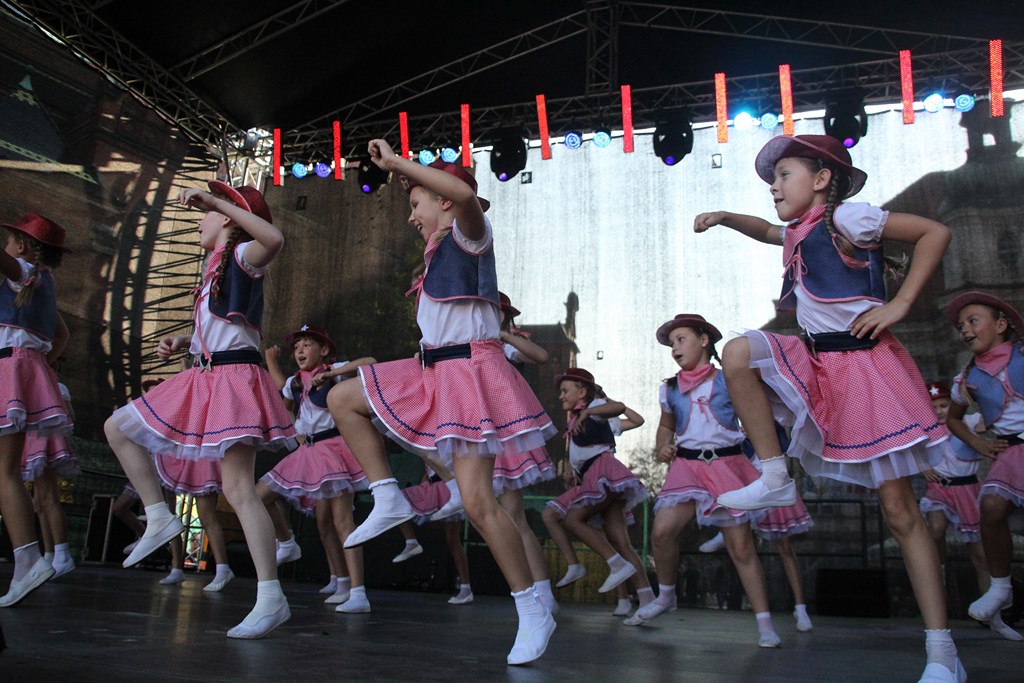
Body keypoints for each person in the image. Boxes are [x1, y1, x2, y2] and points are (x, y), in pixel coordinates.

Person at [694, 134, 961, 681]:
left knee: (900, 510)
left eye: (784, 174)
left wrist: (901, 303)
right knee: (740, 350)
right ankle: (775, 475)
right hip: (819, 362)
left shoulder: (850, 218)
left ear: (820, 179)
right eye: (771, 179)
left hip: (866, 366)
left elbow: (935, 232)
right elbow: (770, 231)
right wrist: (724, 216)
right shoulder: (796, 232)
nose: (774, 186)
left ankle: (942, 650)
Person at [326, 144, 557, 665]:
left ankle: (531, 608)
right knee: (343, 396)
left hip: (469, 373)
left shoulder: (470, 234)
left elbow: (463, 193)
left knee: (479, 503)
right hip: (432, 369)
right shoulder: (434, 255)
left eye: (416, 203)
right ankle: (387, 495)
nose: (411, 215)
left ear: (445, 203)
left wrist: (398, 167)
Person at [104, 181, 296, 639]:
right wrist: (186, 342)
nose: (200, 217)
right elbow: (225, 329)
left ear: (228, 218)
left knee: (238, 488)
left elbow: (275, 239)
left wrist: (218, 202)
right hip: (209, 374)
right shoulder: (212, 268)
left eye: (209, 212)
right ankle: (159, 515)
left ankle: (270, 596)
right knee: (120, 427)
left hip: (232, 380)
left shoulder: (244, 255)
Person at [623, 314, 781, 647]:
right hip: (687, 467)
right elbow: (666, 426)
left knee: (741, 547)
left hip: (726, 464)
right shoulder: (669, 387)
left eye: (681, 340)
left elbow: (754, 417)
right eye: (671, 344)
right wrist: (661, 444)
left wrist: (766, 459)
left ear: (704, 340)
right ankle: (666, 596)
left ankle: (765, 621)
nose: (674, 348)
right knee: (662, 533)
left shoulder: (730, 380)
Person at [259, 326, 373, 613]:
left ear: (323, 351)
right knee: (262, 495)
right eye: (297, 346)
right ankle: (289, 543)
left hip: (334, 451)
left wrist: (332, 374)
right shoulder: (296, 382)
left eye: (307, 345)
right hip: (309, 452)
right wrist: (270, 360)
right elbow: (282, 392)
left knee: (341, 521)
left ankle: (358, 592)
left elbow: (369, 363)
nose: (300, 350)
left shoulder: (333, 370)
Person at [0, 212, 72, 606]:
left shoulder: (22, 270)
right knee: (6, 472)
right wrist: (38, 368)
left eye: (10, 241)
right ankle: (27, 556)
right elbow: (61, 334)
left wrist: (23, 367)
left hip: (8, 365)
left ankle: (27, 557)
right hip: (21, 367)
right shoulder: (42, 282)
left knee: (6, 473)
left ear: (23, 247)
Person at [944, 292, 1024, 637]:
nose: (965, 329)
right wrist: (979, 443)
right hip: (1012, 453)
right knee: (990, 506)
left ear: (1001, 325)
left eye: (973, 321)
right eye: (961, 325)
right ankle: (1000, 585)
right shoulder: (967, 379)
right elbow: (954, 420)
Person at [545, 368, 653, 616]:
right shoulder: (576, 418)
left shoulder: (595, 410)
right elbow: (584, 452)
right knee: (617, 540)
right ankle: (640, 599)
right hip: (591, 478)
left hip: (603, 475)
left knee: (572, 519)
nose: (561, 396)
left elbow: (621, 409)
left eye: (565, 391)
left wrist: (596, 407)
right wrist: (575, 472)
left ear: (582, 392)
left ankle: (607, 567)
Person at [493, 293, 559, 614]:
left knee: (514, 516)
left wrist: (505, 335)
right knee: (493, 515)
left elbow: (541, 356)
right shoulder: (464, 347)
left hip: (506, 437)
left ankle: (541, 592)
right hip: (475, 433)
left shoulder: (503, 347)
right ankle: (527, 590)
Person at [22, 376, 78, 579]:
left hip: (45, 439)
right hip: (32, 440)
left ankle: (62, 554)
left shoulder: (56, 386)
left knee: (48, 498)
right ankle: (49, 554)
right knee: (39, 502)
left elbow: (70, 415)